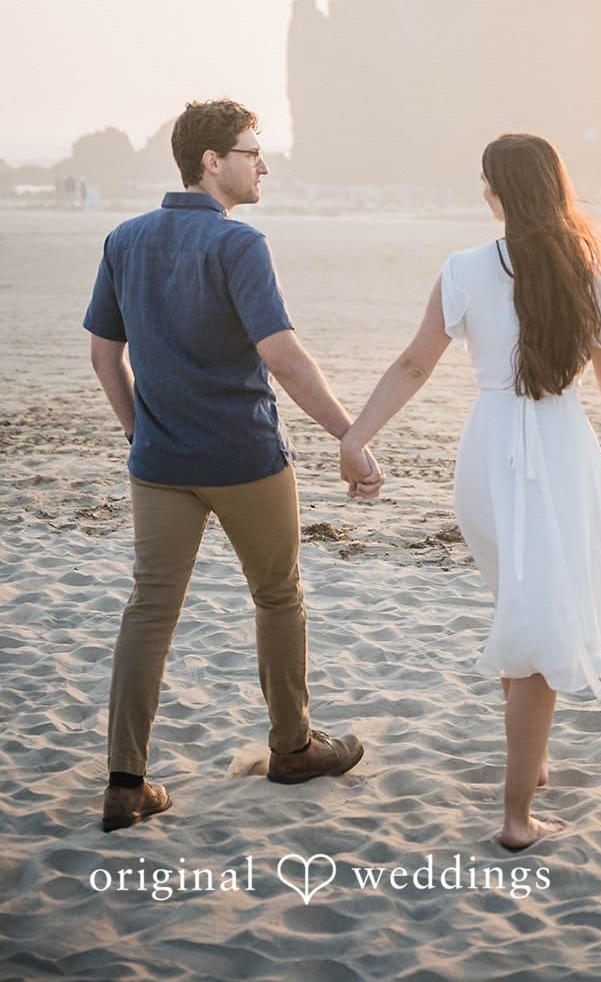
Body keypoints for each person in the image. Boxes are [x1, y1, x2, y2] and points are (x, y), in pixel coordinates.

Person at [339, 132, 601, 850]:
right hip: (558, 448)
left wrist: (356, 436)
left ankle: (534, 765)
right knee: (538, 622)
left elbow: (412, 365)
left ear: (496, 192)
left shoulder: (464, 268)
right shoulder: (588, 272)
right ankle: (516, 817)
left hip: (486, 453)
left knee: (519, 606)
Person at [84, 98, 383, 833]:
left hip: (158, 465)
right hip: (245, 459)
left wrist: (137, 431)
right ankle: (292, 748)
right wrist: (351, 435)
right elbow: (280, 354)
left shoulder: (124, 238)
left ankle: (126, 784)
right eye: (252, 151)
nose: (263, 164)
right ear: (211, 162)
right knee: (278, 597)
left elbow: (103, 352)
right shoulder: (238, 245)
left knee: (149, 611)